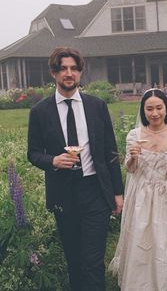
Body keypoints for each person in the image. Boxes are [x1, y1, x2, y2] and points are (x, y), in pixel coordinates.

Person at [27, 47, 124, 291]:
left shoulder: (96, 106)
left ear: (80, 73)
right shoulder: (39, 112)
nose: (68, 73)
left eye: (73, 68)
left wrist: (117, 192)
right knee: (74, 259)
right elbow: (33, 153)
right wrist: (53, 161)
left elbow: (111, 152)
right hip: (63, 193)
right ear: (53, 73)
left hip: (95, 191)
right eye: (62, 69)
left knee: (92, 260)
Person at [109, 88, 167, 291]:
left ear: (166, 109)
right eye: (149, 109)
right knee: (145, 243)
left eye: (159, 108)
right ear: (143, 111)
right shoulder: (135, 135)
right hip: (143, 197)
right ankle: (143, 283)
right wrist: (133, 155)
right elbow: (131, 168)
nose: (154, 113)